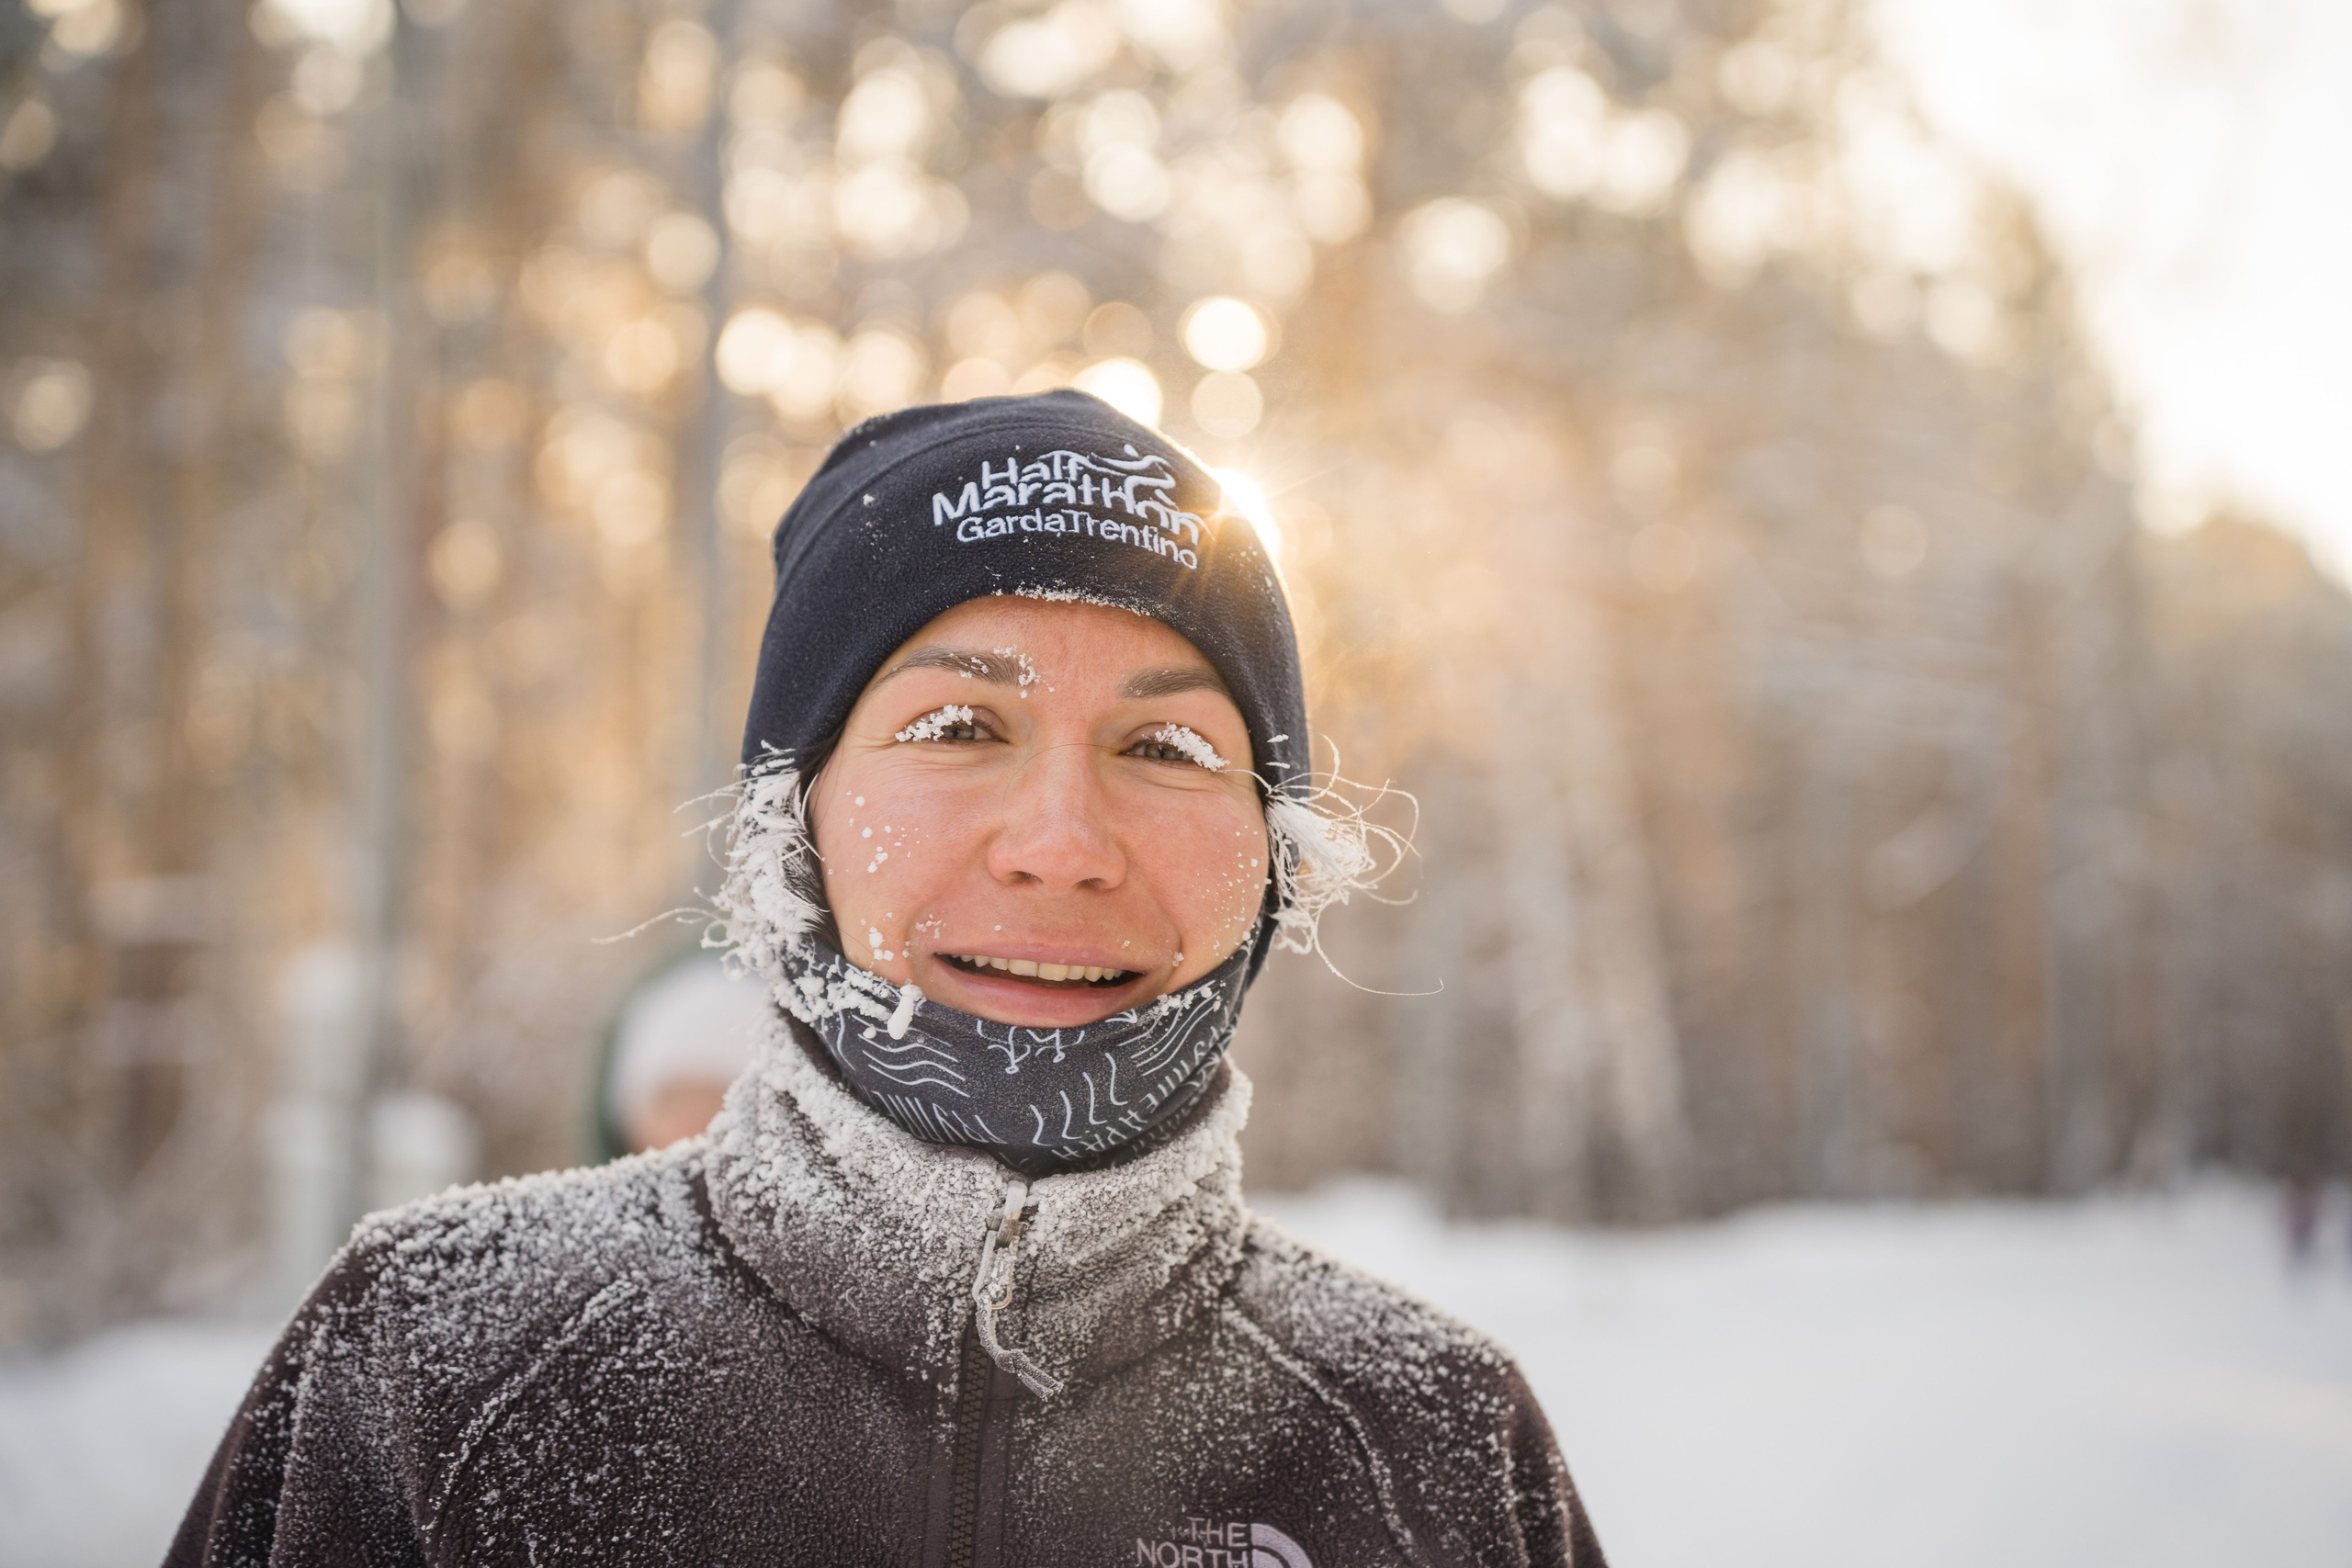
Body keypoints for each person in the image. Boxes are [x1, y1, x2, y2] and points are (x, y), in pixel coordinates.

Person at [168, 390, 1606, 1567]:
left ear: (1273, 859)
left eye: (1166, 750)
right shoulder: (435, 1354)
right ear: (795, 821)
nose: (1061, 846)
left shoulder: (1434, 1441)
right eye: (959, 725)